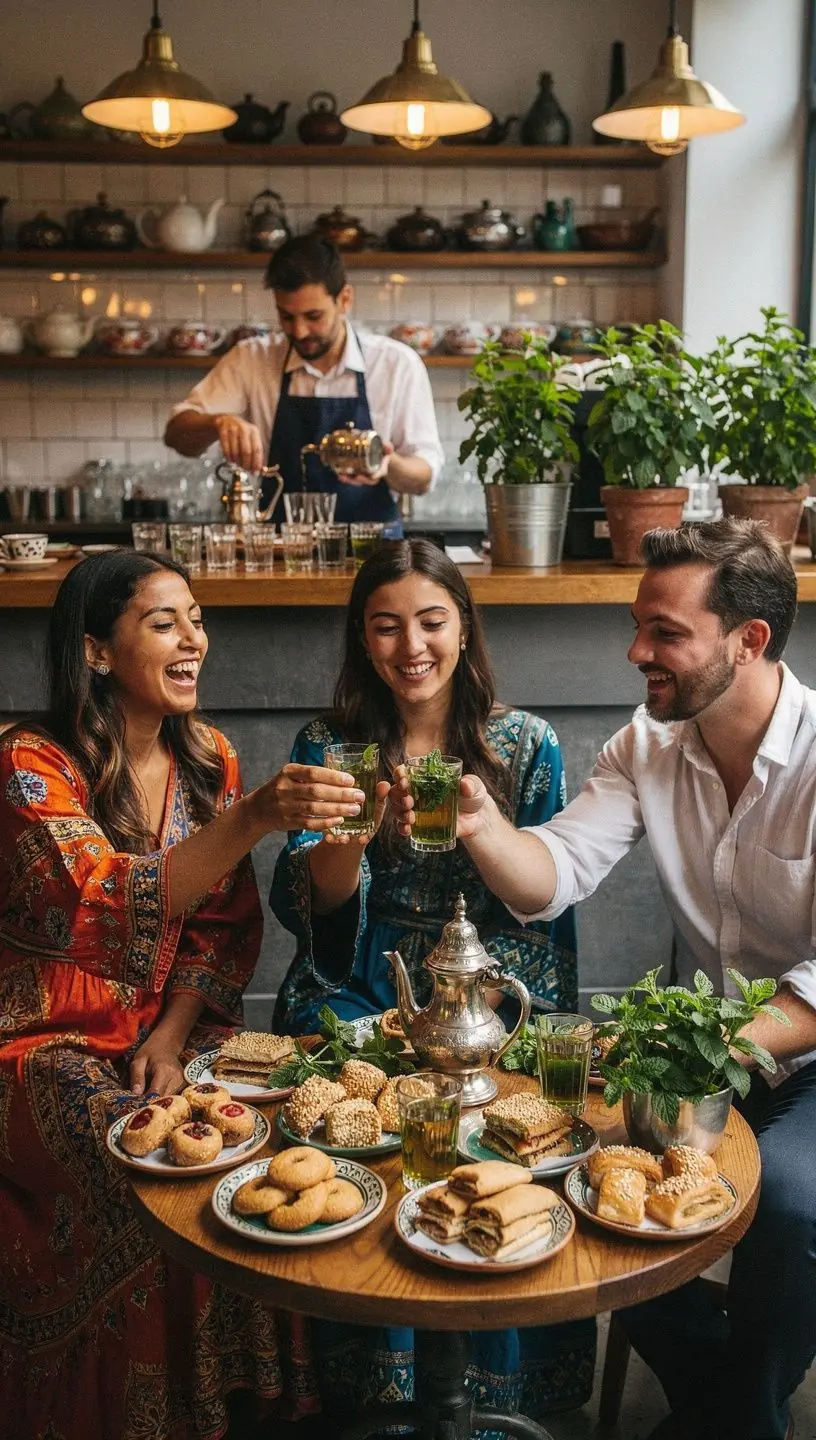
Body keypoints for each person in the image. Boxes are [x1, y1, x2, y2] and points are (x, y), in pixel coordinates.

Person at [392, 517, 815, 1440]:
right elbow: (551, 879)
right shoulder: (646, 745)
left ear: (749, 640)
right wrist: (480, 823)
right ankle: (731, 1416)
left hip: (795, 1052)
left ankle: (734, 1418)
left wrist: (698, 1055)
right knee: (571, 1174)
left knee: (788, 1206)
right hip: (704, 1055)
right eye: (637, 626)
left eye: (666, 633)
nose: (636, 653)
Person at [0, 548, 367, 1440]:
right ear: (96, 651)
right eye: (163, 623)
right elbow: (98, 902)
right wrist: (254, 818)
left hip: (172, 1028)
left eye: (197, 620)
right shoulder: (28, 764)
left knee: (265, 1133)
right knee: (146, 1163)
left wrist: (170, 1037)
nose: (193, 639)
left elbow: (223, 928)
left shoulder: (208, 759)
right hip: (42, 1037)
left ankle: (241, 1407)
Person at [271, 539, 593, 1429]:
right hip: (361, 977)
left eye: (431, 621)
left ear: (464, 627)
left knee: (492, 1116)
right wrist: (350, 834)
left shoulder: (525, 744)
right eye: (385, 626)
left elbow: (539, 914)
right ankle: (373, 1384)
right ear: (361, 638)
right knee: (353, 1102)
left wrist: (468, 1019)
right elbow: (314, 916)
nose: (410, 647)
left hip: (484, 987)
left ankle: (490, 1394)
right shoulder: (328, 745)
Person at [164, 235, 444, 527]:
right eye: (286, 317)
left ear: (344, 300)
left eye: (313, 316)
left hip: (372, 549)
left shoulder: (396, 364)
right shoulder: (251, 358)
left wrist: (388, 465)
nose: (299, 331)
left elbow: (424, 475)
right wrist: (217, 422)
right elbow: (176, 435)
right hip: (278, 548)